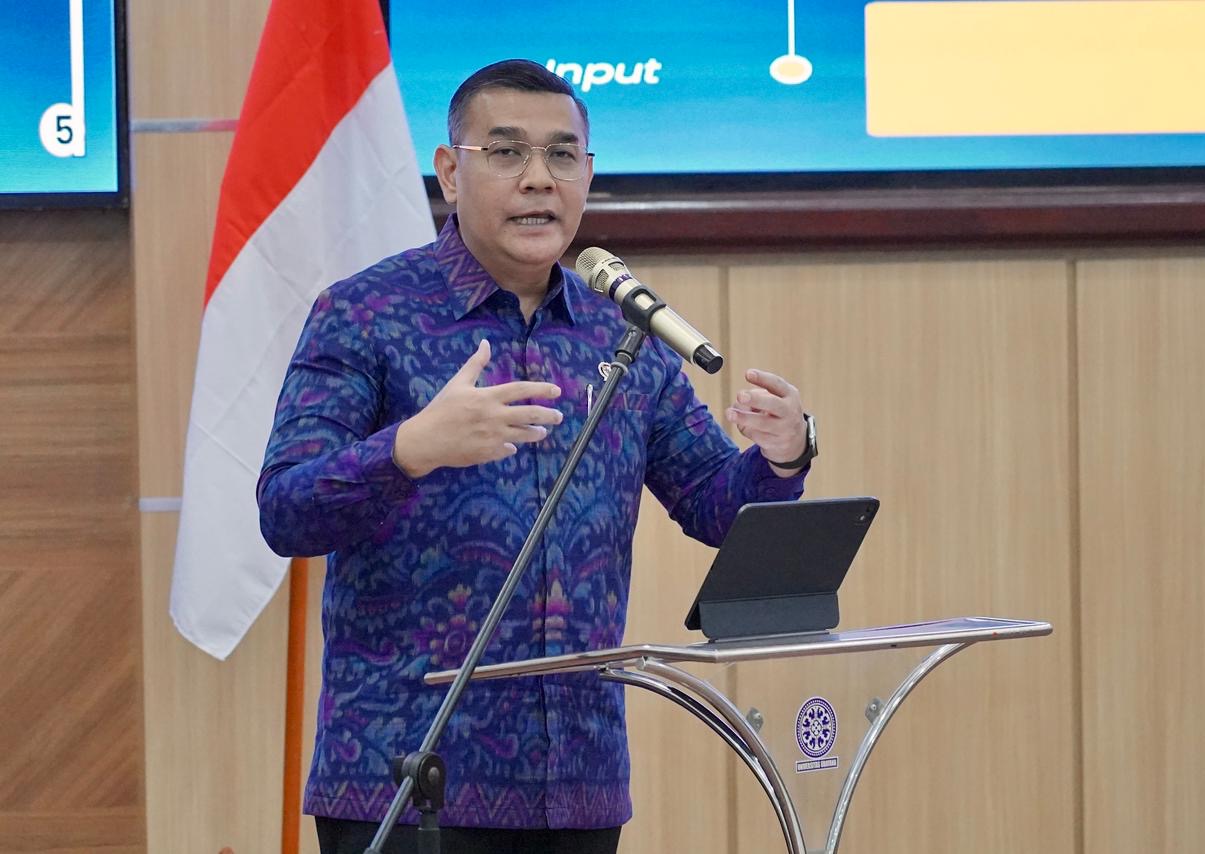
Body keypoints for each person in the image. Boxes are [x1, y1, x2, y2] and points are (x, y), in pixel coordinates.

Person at [257, 59, 817, 854]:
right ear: (450, 172)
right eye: (506, 152)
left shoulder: (622, 335)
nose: (538, 179)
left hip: (577, 783)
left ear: (587, 174)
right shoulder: (365, 313)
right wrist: (409, 449)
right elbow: (285, 509)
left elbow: (714, 504)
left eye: (562, 155)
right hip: (407, 778)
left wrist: (782, 457)